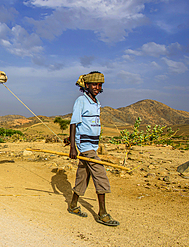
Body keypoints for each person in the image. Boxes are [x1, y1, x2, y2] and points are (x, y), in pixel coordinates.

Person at [68, 71, 119, 227]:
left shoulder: (95, 102)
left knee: (83, 176)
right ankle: (102, 213)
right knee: (100, 174)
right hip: (85, 146)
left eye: (100, 85)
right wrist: (73, 147)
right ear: (87, 85)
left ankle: (73, 205)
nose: (97, 87)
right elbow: (73, 123)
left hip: (93, 146)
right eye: (94, 85)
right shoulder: (81, 101)